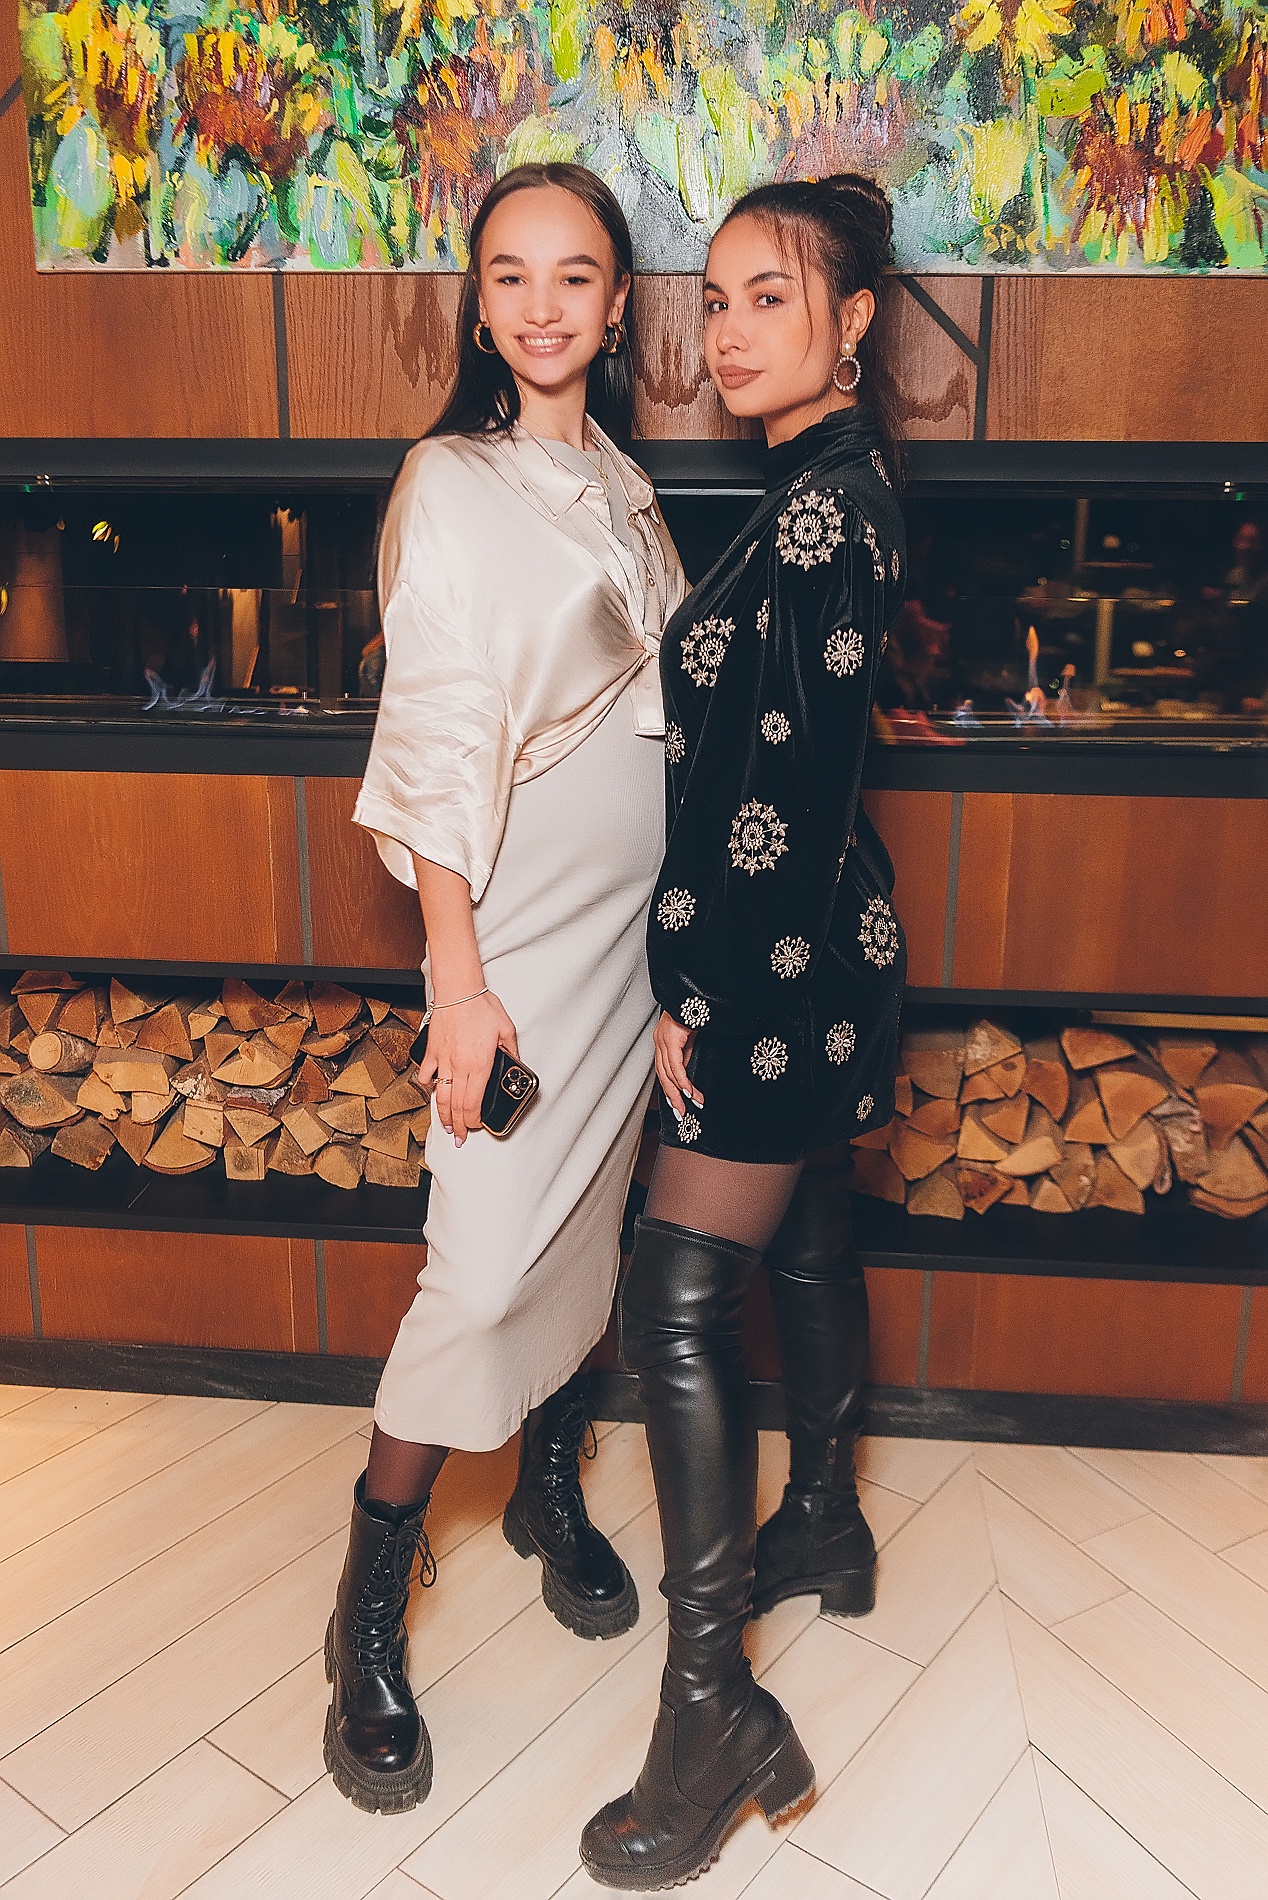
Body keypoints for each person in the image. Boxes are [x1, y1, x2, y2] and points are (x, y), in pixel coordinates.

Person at [325, 163, 685, 1816]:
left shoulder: (627, 485)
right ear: (479, 306)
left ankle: (546, 1488)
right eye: (512, 276)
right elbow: (440, 727)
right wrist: (456, 981)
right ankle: (364, 1610)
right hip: (516, 946)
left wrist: (681, 963)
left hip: (630, 947)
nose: (544, 305)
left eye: (577, 275)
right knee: (473, 1275)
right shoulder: (452, 481)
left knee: (591, 1238)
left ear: (616, 307)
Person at [581, 174, 907, 1889]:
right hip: (825, 946)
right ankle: (830, 1522)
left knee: (678, 1304)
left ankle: (713, 1709)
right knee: (812, 1227)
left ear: (853, 323)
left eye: (768, 296)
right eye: (713, 299)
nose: (726, 331)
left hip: (776, 967)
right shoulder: (826, 492)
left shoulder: (819, 516)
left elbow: (777, 795)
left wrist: (695, 990)